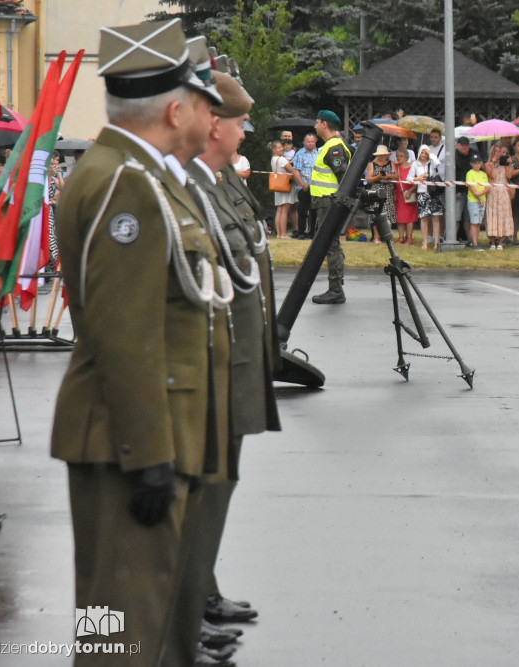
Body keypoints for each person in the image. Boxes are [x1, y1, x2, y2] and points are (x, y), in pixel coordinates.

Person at [50, 19, 230, 666]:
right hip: (126, 442)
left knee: (148, 628)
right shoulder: (125, 182)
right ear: (176, 107)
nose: (210, 115)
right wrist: (148, 452)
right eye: (202, 101)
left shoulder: (144, 176)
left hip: (145, 434)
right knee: (119, 640)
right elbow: (125, 334)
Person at [177, 68, 281, 663]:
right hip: (210, 367)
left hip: (237, 357)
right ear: (212, 122)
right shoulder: (188, 184)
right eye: (240, 123)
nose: (245, 135)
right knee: (199, 493)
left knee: (219, 487)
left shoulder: (218, 181)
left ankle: (200, 594)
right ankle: (183, 613)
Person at [309, 109, 351, 304]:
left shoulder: (334, 147)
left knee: (331, 245)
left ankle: (335, 289)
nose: (315, 126)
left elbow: (343, 177)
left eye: (317, 122)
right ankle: (335, 287)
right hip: (326, 202)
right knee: (331, 244)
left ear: (324, 124)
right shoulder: (330, 146)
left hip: (329, 202)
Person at [269, 139, 302, 239]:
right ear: (274, 149)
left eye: (281, 147)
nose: (281, 149)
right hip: (285, 186)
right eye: (278, 148)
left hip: (277, 186)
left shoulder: (273, 159)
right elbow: (292, 170)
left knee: (279, 209)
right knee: (285, 210)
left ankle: (279, 233)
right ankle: (283, 233)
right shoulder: (282, 160)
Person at [484, 144, 515, 249]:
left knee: (502, 216)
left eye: (499, 152)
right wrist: (493, 163)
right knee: (493, 215)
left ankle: (501, 242)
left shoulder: (504, 165)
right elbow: (491, 175)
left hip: (503, 192)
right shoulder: (488, 164)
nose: (497, 154)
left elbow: (509, 176)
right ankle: (492, 242)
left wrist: (510, 164)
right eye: (495, 151)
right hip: (493, 193)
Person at [410, 146, 441, 250]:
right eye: (422, 152)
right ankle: (425, 242)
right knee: (424, 218)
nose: (424, 155)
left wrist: (430, 153)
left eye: (425, 153)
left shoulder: (431, 162)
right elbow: (408, 178)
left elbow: (437, 163)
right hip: (422, 192)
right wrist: (417, 178)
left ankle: (436, 243)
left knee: (436, 217)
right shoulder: (415, 164)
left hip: (433, 192)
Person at [365, 144, 397, 242]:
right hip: (376, 190)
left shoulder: (391, 163)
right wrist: (378, 177)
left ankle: (388, 237)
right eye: (381, 155)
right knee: (376, 213)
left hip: (387, 190)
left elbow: (396, 176)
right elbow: (368, 179)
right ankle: (376, 237)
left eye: (385, 155)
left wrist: (388, 176)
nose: (384, 157)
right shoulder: (372, 164)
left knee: (388, 214)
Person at [291, 132, 319, 239]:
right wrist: (302, 184)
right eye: (308, 142)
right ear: (304, 142)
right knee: (303, 210)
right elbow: (296, 171)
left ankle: (312, 232)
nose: (311, 144)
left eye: (312, 141)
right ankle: (301, 232)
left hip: (316, 186)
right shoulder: (300, 154)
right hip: (304, 187)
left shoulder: (318, 153)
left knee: (314, 210)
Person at [393, 148, 418, 244]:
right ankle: (400, 237)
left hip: (409, 194)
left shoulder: (412, 167)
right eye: (397, 156)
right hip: (399, 194)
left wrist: (411, 191)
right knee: (400, 217)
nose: (399, 158)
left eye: (401, 156)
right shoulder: (396, 167)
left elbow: (417, 181)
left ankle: (409, 238)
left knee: (409, 218)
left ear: (407, 157)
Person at [464, 153, 489, 249]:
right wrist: (480, 197)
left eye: (478, 162)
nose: (477, 164)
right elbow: (472, 188)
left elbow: (487, 187)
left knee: (478, 222)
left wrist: (481, 195)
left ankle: (476, 241)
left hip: (482, 200)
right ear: (471, 164)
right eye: (474, 163)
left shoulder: (483, 174)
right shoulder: (469, 173)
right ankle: (474, 243)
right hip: (473, 201)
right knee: (474, 222)